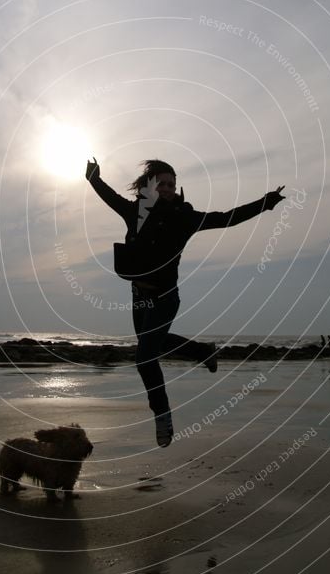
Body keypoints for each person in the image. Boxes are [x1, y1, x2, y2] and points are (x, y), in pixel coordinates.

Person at [86, 157, 285, 447]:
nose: (167, 188)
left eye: (171, 184)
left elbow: (226, 217)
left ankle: (162, 415)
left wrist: (265, 202)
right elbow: (109, 197)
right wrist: (93, 177)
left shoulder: (185, 217)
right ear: (149, 185)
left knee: (145, 358)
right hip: (139, 296)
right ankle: (202, 351)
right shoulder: (136, 211)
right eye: (161, 183)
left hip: (165, 298)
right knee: (153, 343)